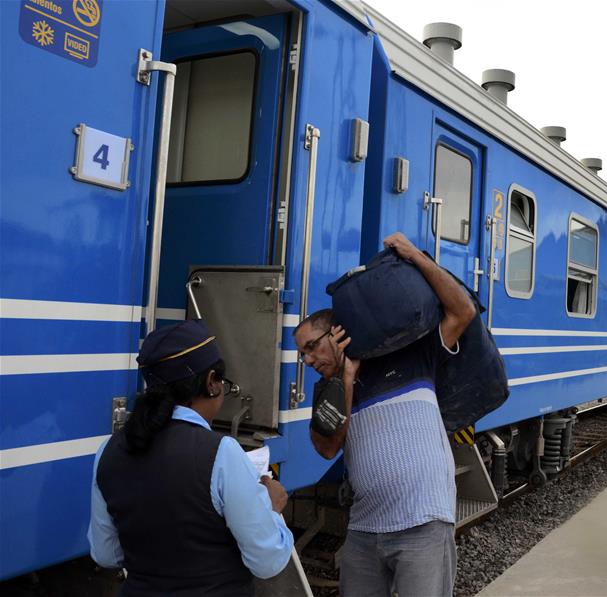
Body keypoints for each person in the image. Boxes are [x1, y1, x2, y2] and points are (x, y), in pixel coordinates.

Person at [293, 232, 476, 597]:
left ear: (337, 333)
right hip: (364, 529)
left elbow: (463, 311)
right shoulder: (328, 389)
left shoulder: (412, 356)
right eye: (303, 354)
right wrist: (346, 378)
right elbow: (327, 448)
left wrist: (416, 257)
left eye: (311, 348)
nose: (308, 360)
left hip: (423, 523)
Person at [88, 320, 293, 595]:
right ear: (211, 382)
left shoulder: (108, 451)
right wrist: (273, 510)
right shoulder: (221, 453)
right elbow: (267, 562)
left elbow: (106, 555)